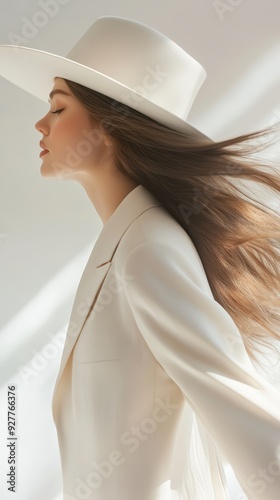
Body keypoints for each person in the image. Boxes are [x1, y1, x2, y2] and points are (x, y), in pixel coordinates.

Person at [0, 15, 280, 500]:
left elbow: (242, 411)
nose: (40, 122)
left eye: (59, 108)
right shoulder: (126, 242)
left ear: (109, 127)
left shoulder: (149, 248)